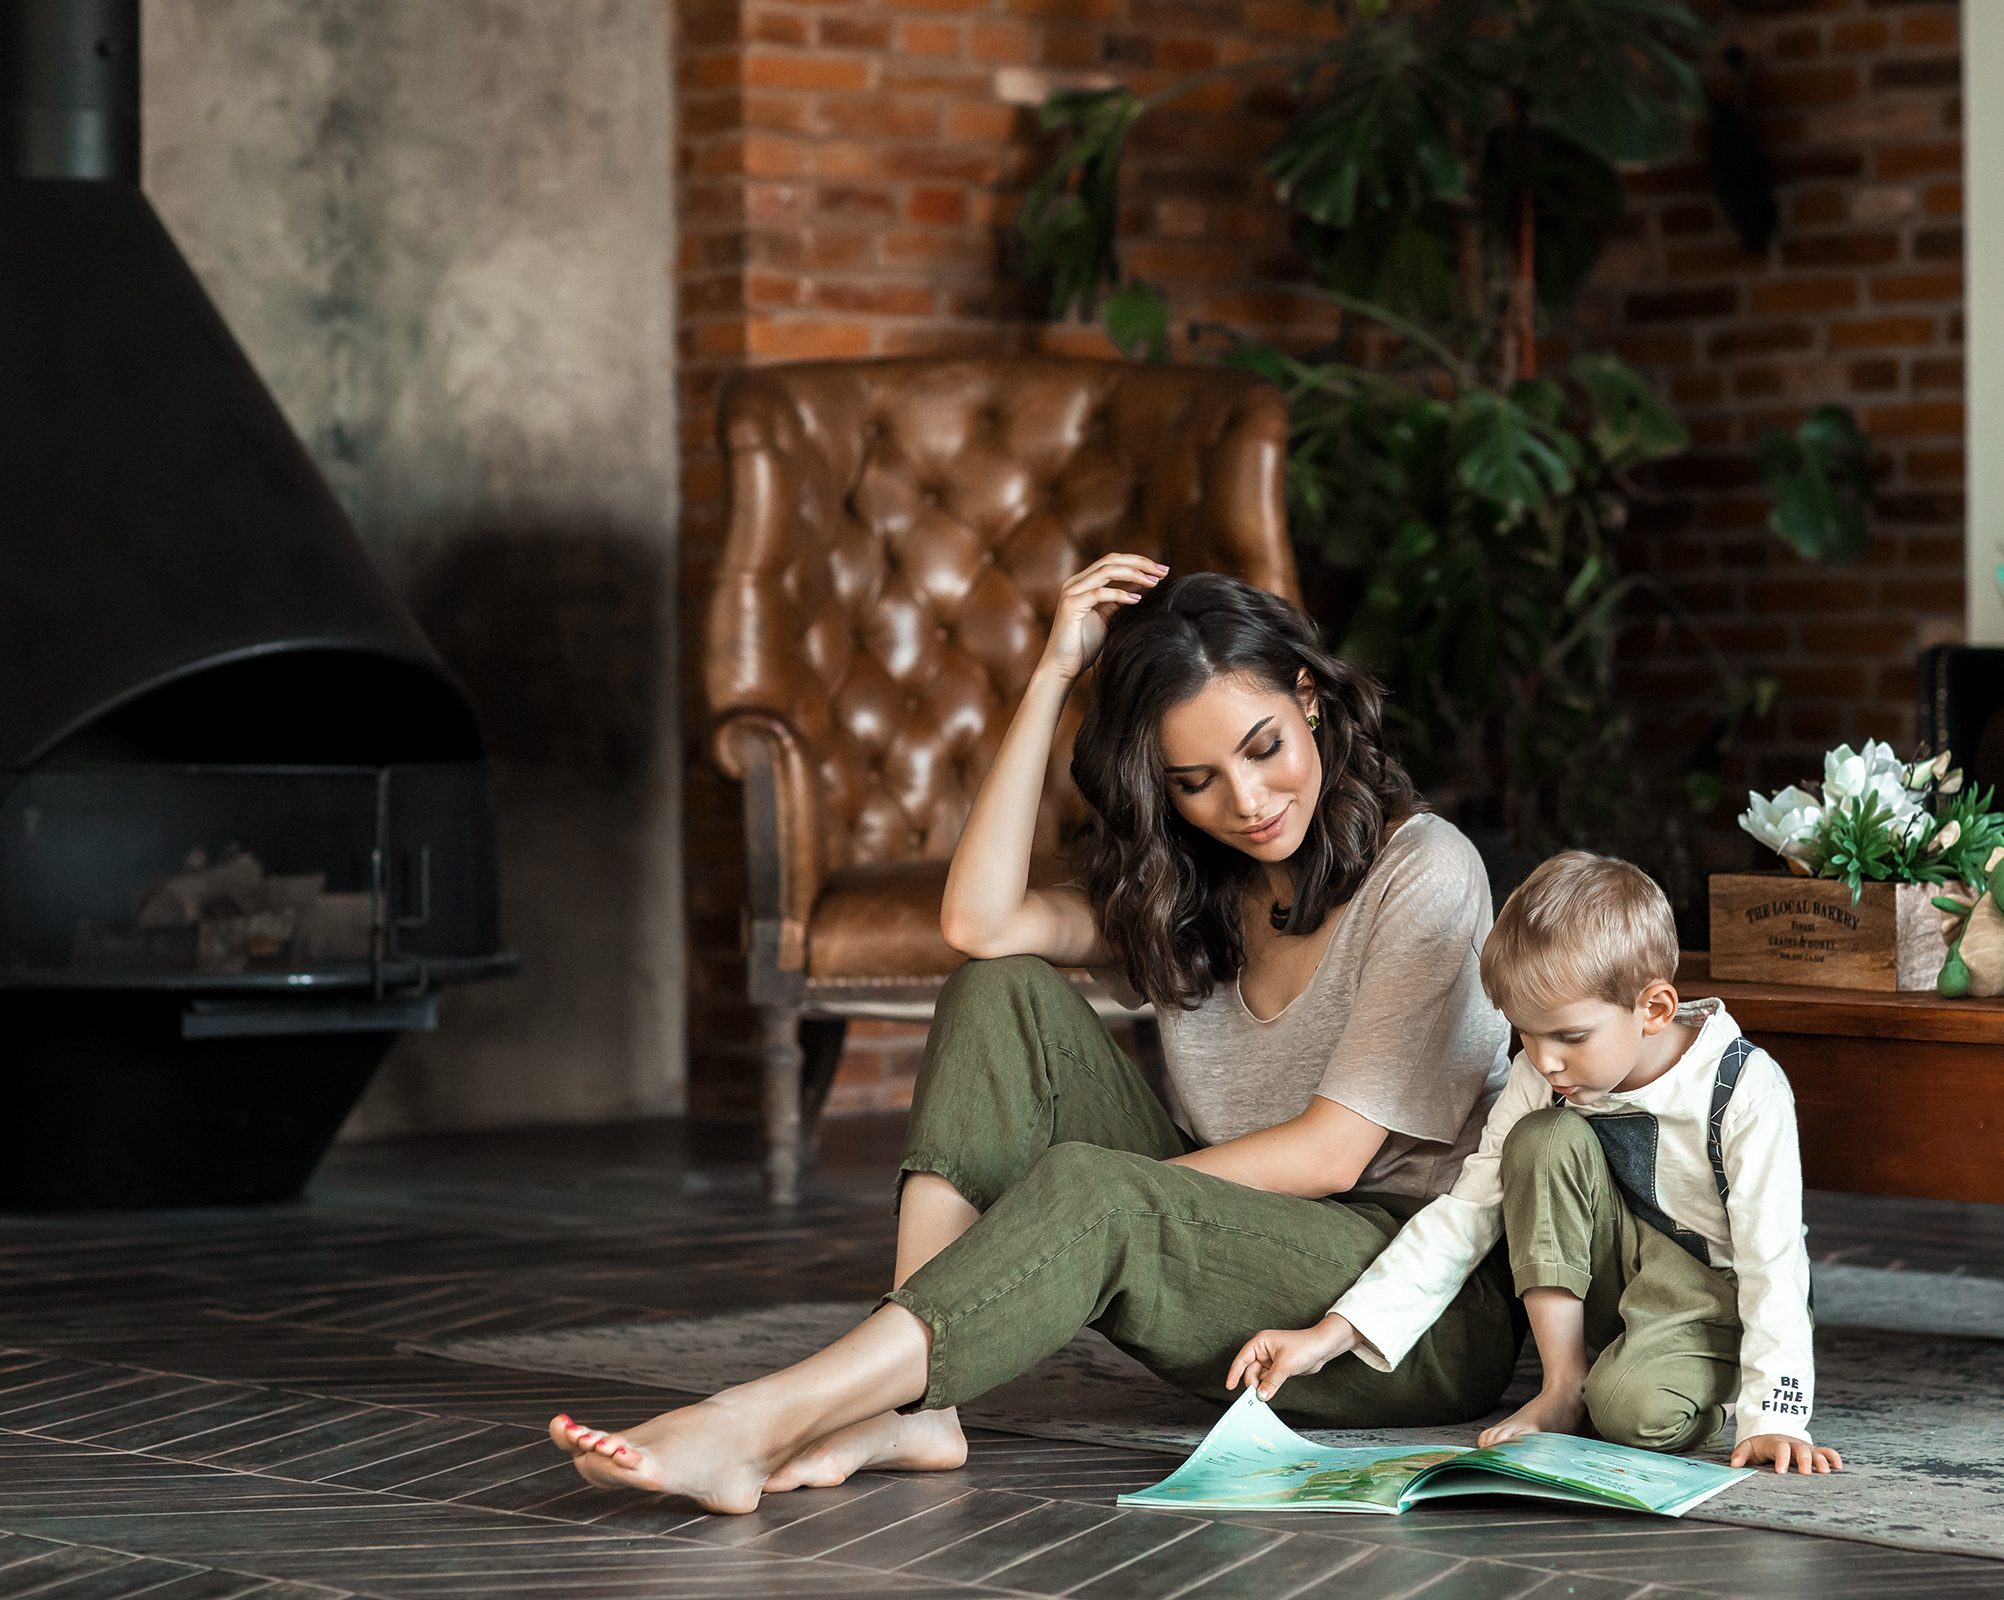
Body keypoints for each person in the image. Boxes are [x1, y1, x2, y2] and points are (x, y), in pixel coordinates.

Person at [548, 557, 1525, 1512]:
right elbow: (978, 923)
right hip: (1238, 1264)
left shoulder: (1424, 870)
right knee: (997, 988)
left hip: (1410, 1310)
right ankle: (921, 1410)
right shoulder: (1194, 889)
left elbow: (1331, 1153)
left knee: (1094, 1187)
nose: (1246, 801)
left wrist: (1083, 1205)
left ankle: (754, 1420)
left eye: (1263, 747)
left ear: (1309, 698)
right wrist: (1053, 673)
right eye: (1195, 779)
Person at [1228, 852, 1844, 1475]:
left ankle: (1688, 1373)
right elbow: (1468, 1211)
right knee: (1540, 1138)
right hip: (1618, 1274)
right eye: (1526, 1033)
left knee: (1634, 1414)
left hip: (1713, 1291)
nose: (1545, 1061)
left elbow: (1772, 1259)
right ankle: (1562, 1385)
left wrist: (1776, 1416)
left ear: (1654, 1009)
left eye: (1571, 1038)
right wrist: (1329, 1335)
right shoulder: (1543, 1075)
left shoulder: (1744, 1088)